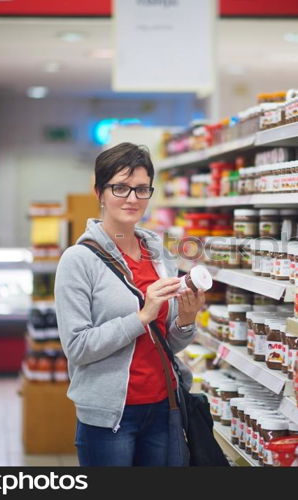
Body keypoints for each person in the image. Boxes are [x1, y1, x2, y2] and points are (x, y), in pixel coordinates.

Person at [55, 142, 204, 466]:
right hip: (110, 419)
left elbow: (169, 343)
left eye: (141, 189)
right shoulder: (78, 260)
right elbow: (77, 347)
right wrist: (142, 316)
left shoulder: (159, 254)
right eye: (120, 188)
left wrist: (186, 320)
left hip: (165, 408)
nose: (132, 198)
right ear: (99, 192)